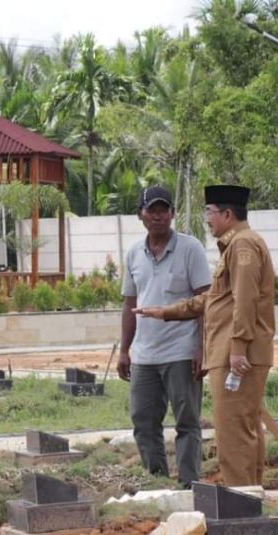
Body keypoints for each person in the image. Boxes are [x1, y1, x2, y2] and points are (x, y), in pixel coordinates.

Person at [135, 185, 275, 487]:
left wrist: (237, 349)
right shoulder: (237, 245)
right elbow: (216, 299)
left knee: (233, 433)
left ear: (227, 214)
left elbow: (245, 300)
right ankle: (252, 497)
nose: (207, 220)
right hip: (234, 351)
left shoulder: (243, 246)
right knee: (245, 428)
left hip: (236, 354)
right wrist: (166, 311)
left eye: (209, 213)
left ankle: (241, 506)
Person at [118, 186, 211, 487]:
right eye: (151, 210)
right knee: (143, 422)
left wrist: (202, 348)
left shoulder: (190, 248)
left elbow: (205, 300)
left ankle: (189, 485)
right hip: (145, 355)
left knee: (187, 422)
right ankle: (157, 483)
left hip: (182, 351)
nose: (158, 216)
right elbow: (130, 304)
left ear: (172, 214)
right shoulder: (133, 253)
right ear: (140, 215)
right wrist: (124, 350)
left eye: (164, 210)